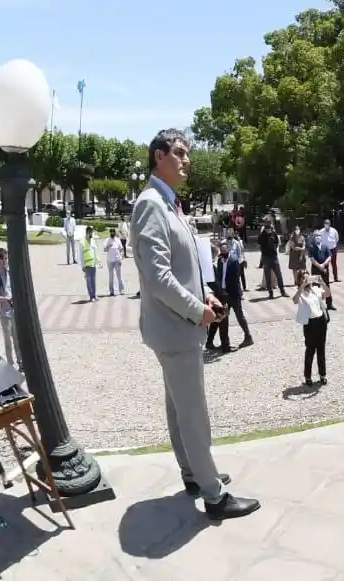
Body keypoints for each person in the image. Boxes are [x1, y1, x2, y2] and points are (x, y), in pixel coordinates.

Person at [132, 128, 259, 519]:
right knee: (193, 413)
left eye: (187, 153)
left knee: (178, 407)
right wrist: (196, 309)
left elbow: (180, 265)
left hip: (175, 325)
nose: (186, 160)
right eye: (179, 152)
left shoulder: (168, 202)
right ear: (159, 157)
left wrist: (204, 292)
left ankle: (193, 472)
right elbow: (157, 277)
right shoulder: (152, 204)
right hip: (175, 328)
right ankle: (214, 495)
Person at [291, 270, 328, 387]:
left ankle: (322, 375)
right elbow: (294, 300)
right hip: (309, 323)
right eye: (303, 278)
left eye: (308, 278)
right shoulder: (300, 292)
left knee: (321, 349)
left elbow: (327, 294)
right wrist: (302, 285)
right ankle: (308, 376)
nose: (307, 280)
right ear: (299, 280)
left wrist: (322, 283)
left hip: (320, 321)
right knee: (310, 350)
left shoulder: (316, 289)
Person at [0, 248, 18, 368]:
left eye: (6, 259)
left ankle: (20, 361)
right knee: (7, 339)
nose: (5, 261)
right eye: (3, 259)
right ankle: (10, 363)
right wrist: (6, 299)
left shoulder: (9, 271)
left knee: (16, 337)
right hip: (3, 311)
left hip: (13, 309)